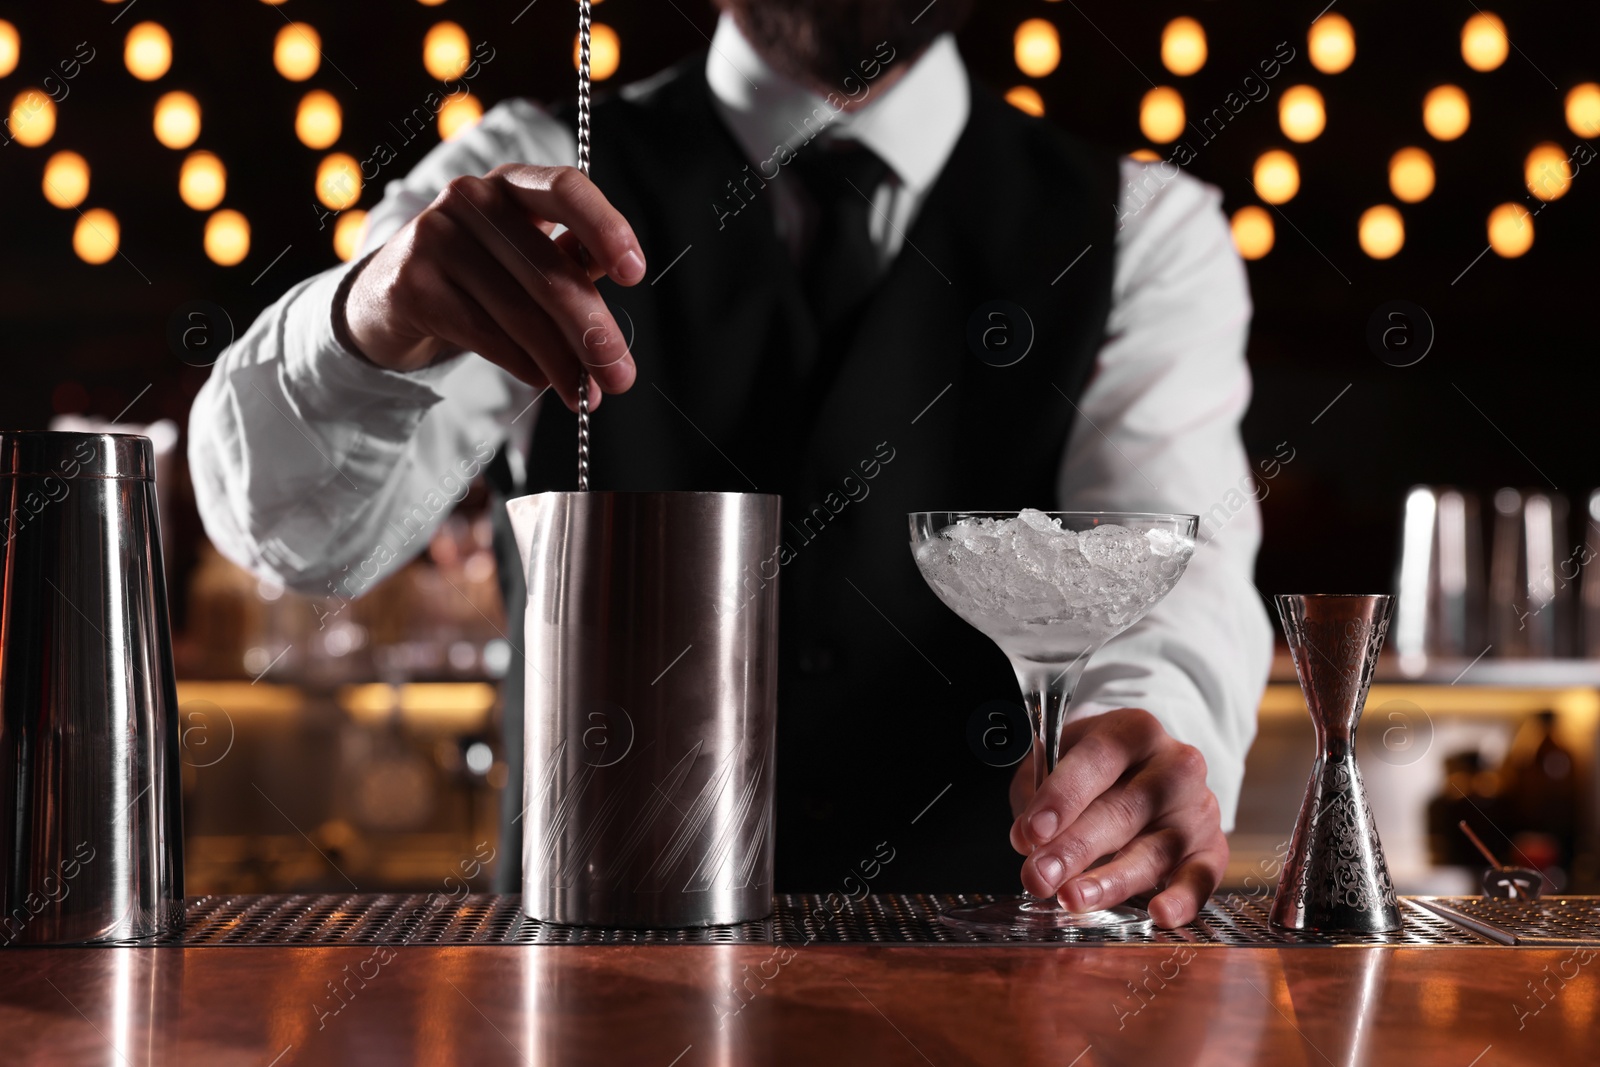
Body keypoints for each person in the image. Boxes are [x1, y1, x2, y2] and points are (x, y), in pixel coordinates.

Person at [189, 0, 1272, 927]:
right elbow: (301, 537)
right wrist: (369, 317)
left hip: (984, 988)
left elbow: (1170, 576)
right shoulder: (530, 177)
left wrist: (1140, 742)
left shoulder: (1143, 229)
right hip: (593, 974)